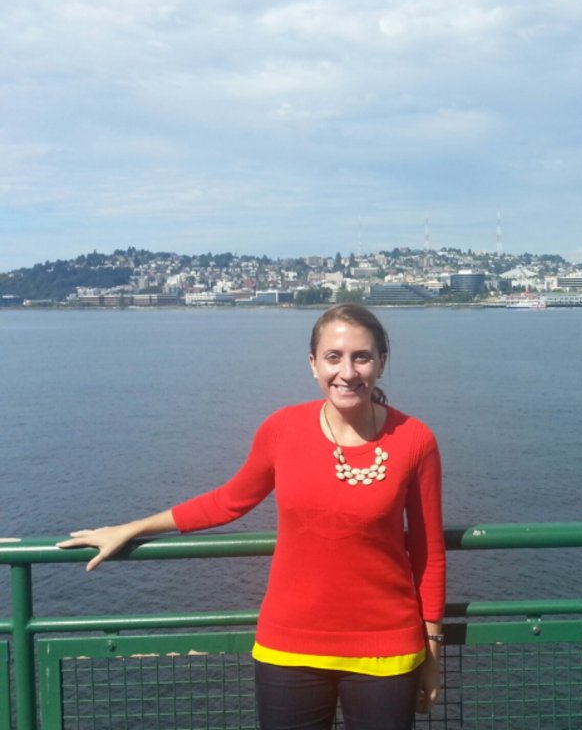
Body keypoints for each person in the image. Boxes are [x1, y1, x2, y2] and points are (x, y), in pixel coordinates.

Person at [59, 303, 446, 730]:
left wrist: (431, 649)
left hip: (386, 647)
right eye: (334, 357)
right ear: (313, 364)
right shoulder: (283, 429)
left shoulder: (414, 440)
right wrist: (132, 527)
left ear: (381, 363)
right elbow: (229, 501)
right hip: (290, 647)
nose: (347, 372)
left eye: (362, 357)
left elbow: (428, 551)